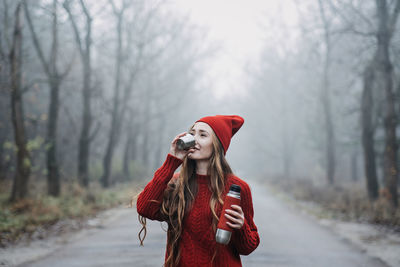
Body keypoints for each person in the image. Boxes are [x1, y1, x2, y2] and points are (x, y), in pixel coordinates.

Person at [136, 115, 259, 267]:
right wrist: (172, 160)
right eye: (192, 133)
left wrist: (241, 226)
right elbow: (144, 208)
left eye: (202, 135)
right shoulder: (176, 182)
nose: (194, 139)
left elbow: (248, 247)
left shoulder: (237, 187)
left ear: (217, 144)